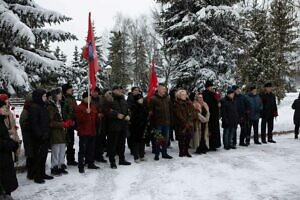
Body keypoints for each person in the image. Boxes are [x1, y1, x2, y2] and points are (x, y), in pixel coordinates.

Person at [103, 86, 131, 169]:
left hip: (123, 125)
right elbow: (106, 111)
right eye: (118, 90)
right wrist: (116, 115)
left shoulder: (123, 99)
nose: (120, 91)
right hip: (113, 126)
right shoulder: (109, 99)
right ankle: (112, 162)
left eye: (121, 90)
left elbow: (127, 110)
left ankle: (122, 159)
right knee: (112, 145)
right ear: (114, 90)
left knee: (122, 144)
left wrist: (128, 115)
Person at [29, 89, 53, 184]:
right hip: (38, 138)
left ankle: (42, 173)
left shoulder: (43, 106)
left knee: (43, 156)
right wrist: (40, 135)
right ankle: (37, 176)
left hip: (45, 135)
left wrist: (47, 133)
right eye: (43, 96)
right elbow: (34, 124)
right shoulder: (34, 107)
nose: (45, 98)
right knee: (38, 157)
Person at [48, 88, 72, 176]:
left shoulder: (61, 105)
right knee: (56, 150)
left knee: (62, 149)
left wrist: (68, 122)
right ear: (55, 95)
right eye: (59, 94)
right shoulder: (50, 106)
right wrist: (62, 124)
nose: (61, 95)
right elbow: (51, 122)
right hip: (55, 132)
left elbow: (64, 116)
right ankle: (54, 167)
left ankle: (61, 165)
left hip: (62, 131)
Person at [76, 92, 99, 173]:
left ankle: (90, 163)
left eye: (90, 98)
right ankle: (81, 165)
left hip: (92, 131)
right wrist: (86, 113)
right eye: (87, 98)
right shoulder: (79, 107)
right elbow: (79, 120)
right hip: (84, 132)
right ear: (83, 98)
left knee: (91, 149)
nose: (89, 99)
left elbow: (95, 118)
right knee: (83, 150)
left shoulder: (92, 106)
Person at [0, 95, 19, 198]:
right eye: (2, 108)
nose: (4, 109)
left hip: (5, 154)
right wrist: (11, 144)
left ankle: (7, 193)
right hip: (2, 155)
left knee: (7, 177)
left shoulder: (1, 120)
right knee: (4, 178)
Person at [149, 83, 173, 160]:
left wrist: (171, 120)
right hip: (157, 123)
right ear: (158, 89)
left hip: (166, 123)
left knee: (165, 139)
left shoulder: (168, 98)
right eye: (163, 89)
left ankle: (164, 153)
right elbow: (150, 112)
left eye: (165, 89)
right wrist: (152, 123)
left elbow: (170, 110)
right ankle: (156, 154)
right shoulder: (153, 99)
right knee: (158, 139)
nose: (164, 90)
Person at [173, 90, 195, 157]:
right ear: (179, 95)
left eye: (185, 94)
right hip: (181, 123)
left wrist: (190, 120)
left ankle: (186, 151)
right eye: (182, 94)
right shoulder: (177, 103)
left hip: (189, 123)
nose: (184, 96)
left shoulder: (189, 103)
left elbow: (193, 111)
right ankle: (181, 151)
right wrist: (184, 122)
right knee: (181, 138)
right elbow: (178, 114)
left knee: (188, 137)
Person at [61, 83, 78, 166]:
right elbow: (64, 112)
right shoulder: (64, 99)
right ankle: (62, 161)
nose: (72, 90)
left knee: (71, 142)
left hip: (72, 123)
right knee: (67, 142)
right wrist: (69, 120)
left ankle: (71, 159)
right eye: (70, 88)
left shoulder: (72, 98)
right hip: (67, 124)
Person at [202, 80, 221, 151]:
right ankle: (208, 145)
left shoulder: (213, 93)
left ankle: (214, 145)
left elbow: (218, 100)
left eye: (211, 86)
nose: (211, 88)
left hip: (215, 115)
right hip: (209, 114)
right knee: (209, 131)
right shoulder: (204, 94)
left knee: (214, 131)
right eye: (210, 86)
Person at [129, 94, 148, 163]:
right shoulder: (133, 107)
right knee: (136, 142)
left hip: (143, 127)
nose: (141, 100)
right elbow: (133, 118)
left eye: (142, 98)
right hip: (135, 127)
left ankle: (142, 155)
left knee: (142, 141)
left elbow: (146, 114)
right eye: (139, 99)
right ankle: (136, 156)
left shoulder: (144, 106)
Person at [20, 95, 34, 180]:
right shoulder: (25, 111)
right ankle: (30, 173)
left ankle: (32, 172)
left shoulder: (28, 110)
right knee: (29, 155)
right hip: (27, 137)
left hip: (30, 136)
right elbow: (23, 124)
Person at [91, 87, 107, 163]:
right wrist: (96, 114)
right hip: (92, 123)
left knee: (100, 140)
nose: (95, 93)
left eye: (96, 92)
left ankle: (99, 155)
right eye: (94, 92)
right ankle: (92, 156)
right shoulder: (89, 99)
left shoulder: (101, 99)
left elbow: (105, 108)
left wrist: (102, 113)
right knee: (93, 140)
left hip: (101, 122)